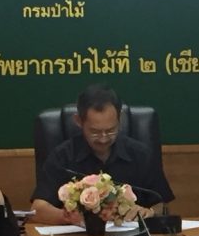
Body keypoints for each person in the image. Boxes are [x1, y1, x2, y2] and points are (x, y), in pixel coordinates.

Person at [31, 84, 174, 225]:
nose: (103, 138)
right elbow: (38, 209)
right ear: (78, 121)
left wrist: (149, 212)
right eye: (95, 132)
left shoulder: (141, 155)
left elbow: (162, 204)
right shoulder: (62, 157)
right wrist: (69, 217)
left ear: (120, 118)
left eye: (111, 130)